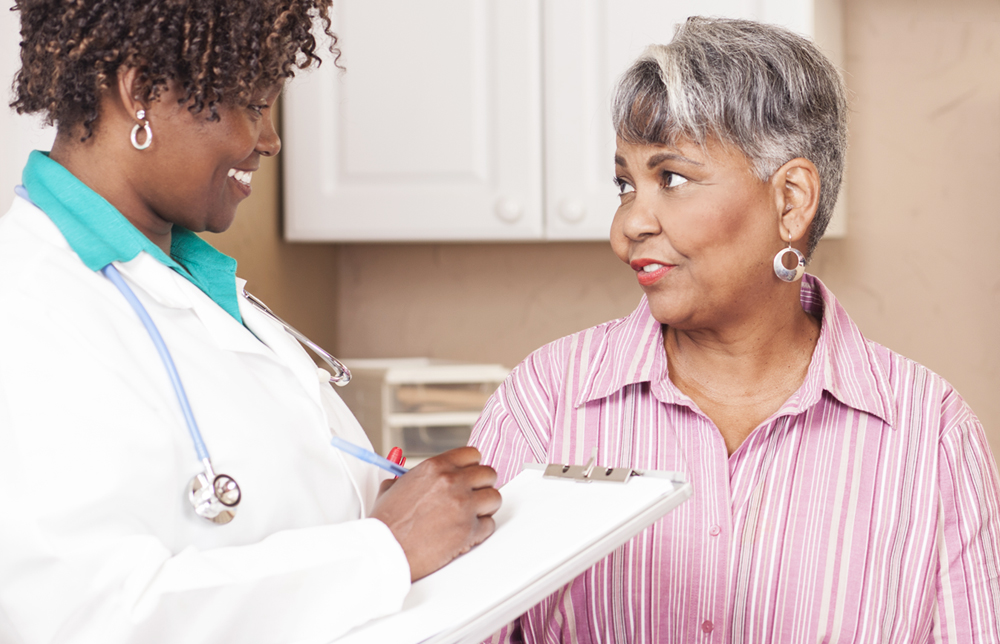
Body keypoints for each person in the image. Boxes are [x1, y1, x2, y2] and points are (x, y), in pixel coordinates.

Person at [470, 16, 1000, 643]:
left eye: (671, 178)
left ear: (791, 200)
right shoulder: (547, 401)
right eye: (625, 184)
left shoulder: (930, 434)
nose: (626, 228)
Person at [0, 1, 500, 642]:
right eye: (253, 105)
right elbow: (86, 619)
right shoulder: (27, 307)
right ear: (139, 94)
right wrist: (383, 548)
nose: (269, 140)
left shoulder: (189, 285)